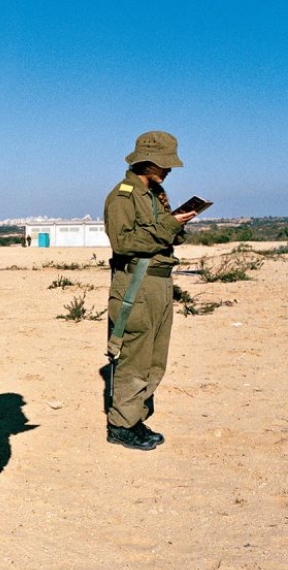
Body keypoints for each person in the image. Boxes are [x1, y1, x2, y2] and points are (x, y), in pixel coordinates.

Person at [104, 131, 197, 451]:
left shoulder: (155, 194)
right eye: (164, 164)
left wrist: (175, 221)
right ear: (146, 161)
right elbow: (124, 242)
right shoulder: (123, 196)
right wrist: (169, 224)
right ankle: (121, 424)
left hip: (159, 282)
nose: (169, 170)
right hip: (135, 283)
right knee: (135, 355)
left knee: (155, 358)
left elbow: (168, 238)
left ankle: (135, 418)